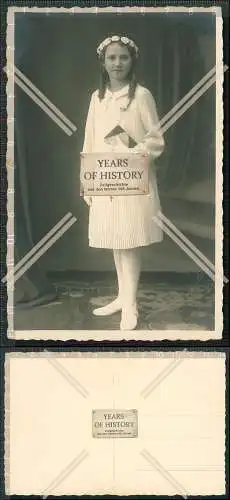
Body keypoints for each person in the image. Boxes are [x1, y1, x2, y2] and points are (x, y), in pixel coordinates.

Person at [81, 34, 164, 331]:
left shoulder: (141, 95)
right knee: (117, 240)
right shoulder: (97, 97)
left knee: (129, 241)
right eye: (112, 58)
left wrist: (130, 152)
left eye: (123, 57)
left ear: (132, 61)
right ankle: (121, 296)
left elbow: (155, 141)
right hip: (105, 181)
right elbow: (90, 139)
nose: (117, 63)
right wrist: (86, 179)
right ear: (103, 62)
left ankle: (130, 305)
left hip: (133, 181)